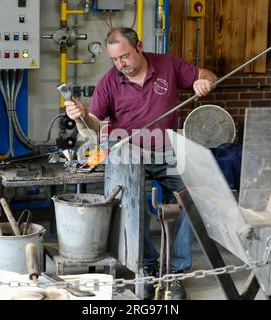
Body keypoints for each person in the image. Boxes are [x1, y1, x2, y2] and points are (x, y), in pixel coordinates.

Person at [65, 27, 217, 300]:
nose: (120, 64)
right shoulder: (109, 82)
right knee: (133, 201)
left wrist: (202, 82)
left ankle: (173, 272)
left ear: (139, 46)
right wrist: (82, 116)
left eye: (124, 56)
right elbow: (96, 126)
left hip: (167, 150)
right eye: (114, 59)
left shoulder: (168, 65)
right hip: (129, 152)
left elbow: (208, 75)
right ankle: (146, 264)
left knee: (187, 195)